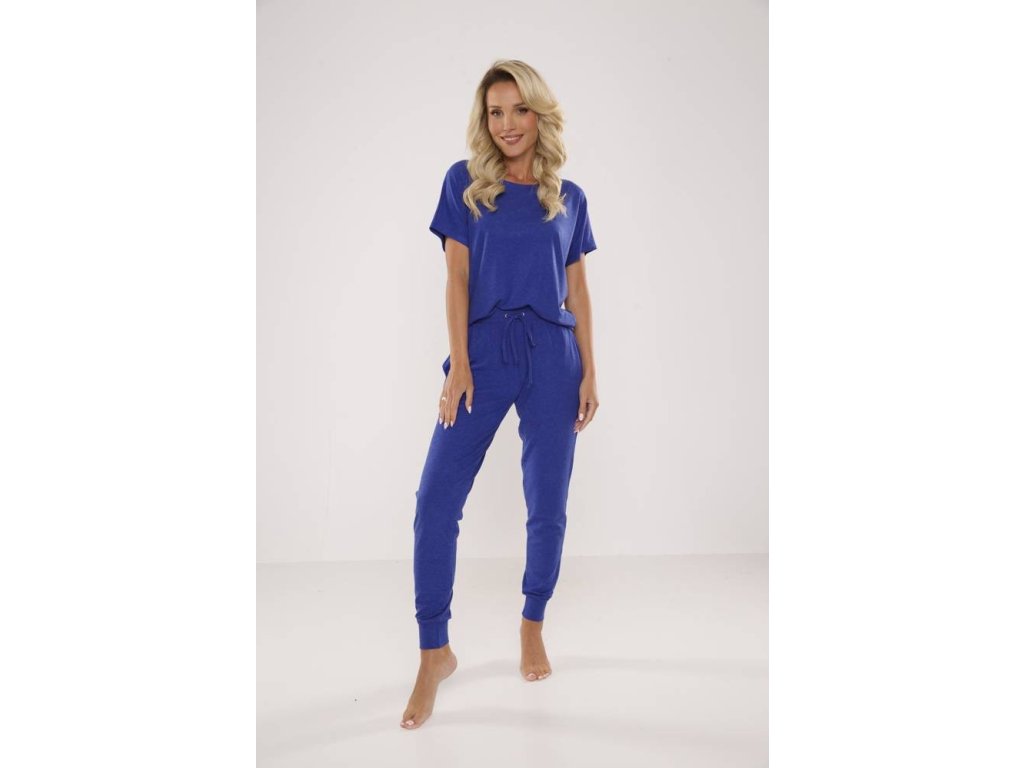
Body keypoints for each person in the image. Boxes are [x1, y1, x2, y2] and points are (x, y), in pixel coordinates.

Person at [401, 59, 600, 730]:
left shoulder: (569, 197)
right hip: (483, 354)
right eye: (495, 112)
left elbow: (578, 290)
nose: (507, 124)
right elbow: (456, 279)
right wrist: (459, 365)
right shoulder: (464, 183)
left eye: (519, 110)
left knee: (547, 503)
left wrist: (591, 371)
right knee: (435, 499)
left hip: (553, 356)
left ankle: (532, 622)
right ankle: (434, 651)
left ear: (539, 115)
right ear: (483, 120)